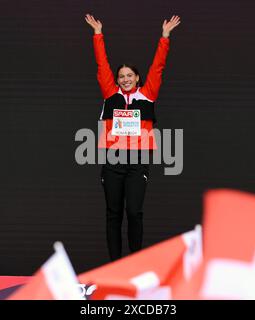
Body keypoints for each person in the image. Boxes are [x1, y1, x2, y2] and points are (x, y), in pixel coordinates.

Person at [85, 13, 181, 261]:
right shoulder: (109, 94)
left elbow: (158, 66)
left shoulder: (147, 95)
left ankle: (134, 264)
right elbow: (102, 64)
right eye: (121, 77)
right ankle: (114, 266)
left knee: (134, 212)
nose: (125, 79)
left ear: (137, 78)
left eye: (130, 76)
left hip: (137, 163)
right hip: (113, 161)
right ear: (116, 81)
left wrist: (165, 37)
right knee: (113, 213)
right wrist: (98, 34)